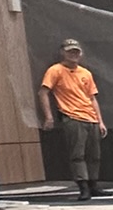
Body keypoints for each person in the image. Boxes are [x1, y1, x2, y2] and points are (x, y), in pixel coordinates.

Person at [39, 39, 107, 200]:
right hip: (72, 116)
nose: (73, 54)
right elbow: (43, 92)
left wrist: (100, 121)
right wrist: (48, 116)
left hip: (91, 117)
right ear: (62, 52)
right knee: (77, 155)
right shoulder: (55, 70)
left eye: (76, 51)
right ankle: (83, 187)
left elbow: (92, 98)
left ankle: (93, 185)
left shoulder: (85, 73)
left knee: (94, 155)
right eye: (70, 51)